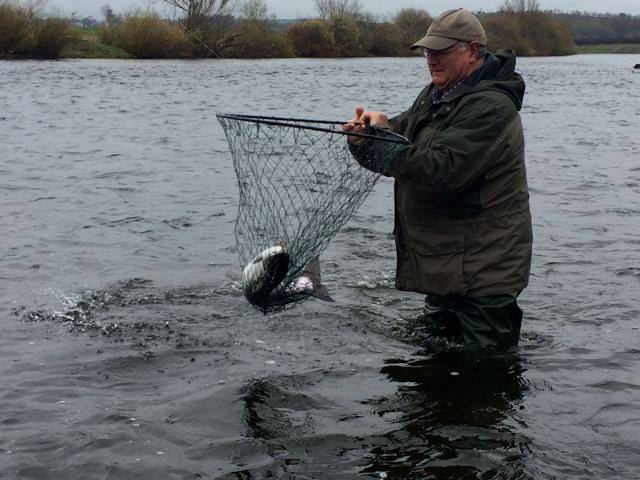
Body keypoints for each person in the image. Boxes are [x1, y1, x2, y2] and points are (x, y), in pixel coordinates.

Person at [343, 8, 533, 353]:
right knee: (437, 367)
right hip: (448, 270)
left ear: (472, 51)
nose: (431, 59)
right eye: (427, 52)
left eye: (441, 51)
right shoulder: (436, 94)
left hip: (484, 275)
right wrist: (363, 138)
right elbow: (399, 140)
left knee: (486, 375)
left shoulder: (491, 106)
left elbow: (439, 171)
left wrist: (382, 137)